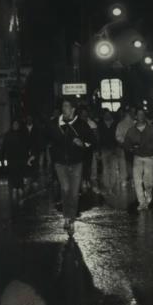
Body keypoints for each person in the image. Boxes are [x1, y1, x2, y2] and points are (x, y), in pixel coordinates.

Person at [49, 99, 96, 236]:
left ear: (73, 109)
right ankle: (66, 217)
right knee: (65, 188)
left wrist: (82, 143)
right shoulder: (55, 123)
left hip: (76, 163)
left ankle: (72, 220)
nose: (64, 108)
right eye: (63, 105)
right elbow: (46, 138)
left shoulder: (81, 124)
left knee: (74, 193)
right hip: (60, 163)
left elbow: (92, 141)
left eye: (67, 106)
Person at [123, 109, 153, 211]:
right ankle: (141, 202)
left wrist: (146, 148)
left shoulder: (152, 129)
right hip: (137, 158)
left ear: (145, 116)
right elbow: (126, 143)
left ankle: (148, 195)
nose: (140, 116)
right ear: (135, 116)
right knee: (137, 180)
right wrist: (131, 148)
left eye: (142, 114)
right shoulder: (131, 130)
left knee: (148, 181)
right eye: (138, 114)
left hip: (149, 157)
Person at [2, 119, 29, 194]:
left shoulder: (22, 134)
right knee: (12, 172)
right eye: (14, 124)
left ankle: (20, 186)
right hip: (11, 157)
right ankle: (14, 186)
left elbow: (25, 146)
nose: (15, 126)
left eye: (17, 124)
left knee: (20, 172)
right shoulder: (8, 135)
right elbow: (4, 146)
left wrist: (26, 156)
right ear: (12, 125)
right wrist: (3, 157)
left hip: (20, 157)